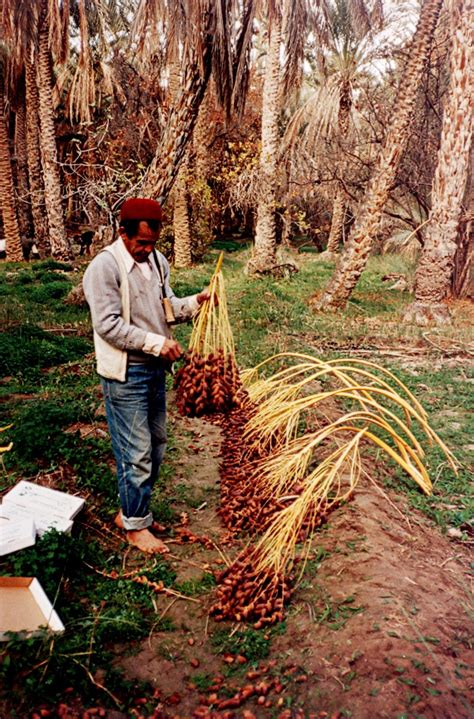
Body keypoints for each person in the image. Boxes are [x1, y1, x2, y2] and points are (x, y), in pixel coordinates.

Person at [83, 198, 210, 554]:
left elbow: (166, 307)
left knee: (156, 446)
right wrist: (156, 343)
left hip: (154, 370)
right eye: (141, 243)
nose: (146, 250)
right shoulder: (104, 268)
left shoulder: (157, 261)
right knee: (134, 452)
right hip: (126, 374)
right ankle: (135, 526)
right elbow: (107, 325)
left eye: (152, 243)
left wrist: (197, 302)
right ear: (122, 233)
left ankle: (134, 513)